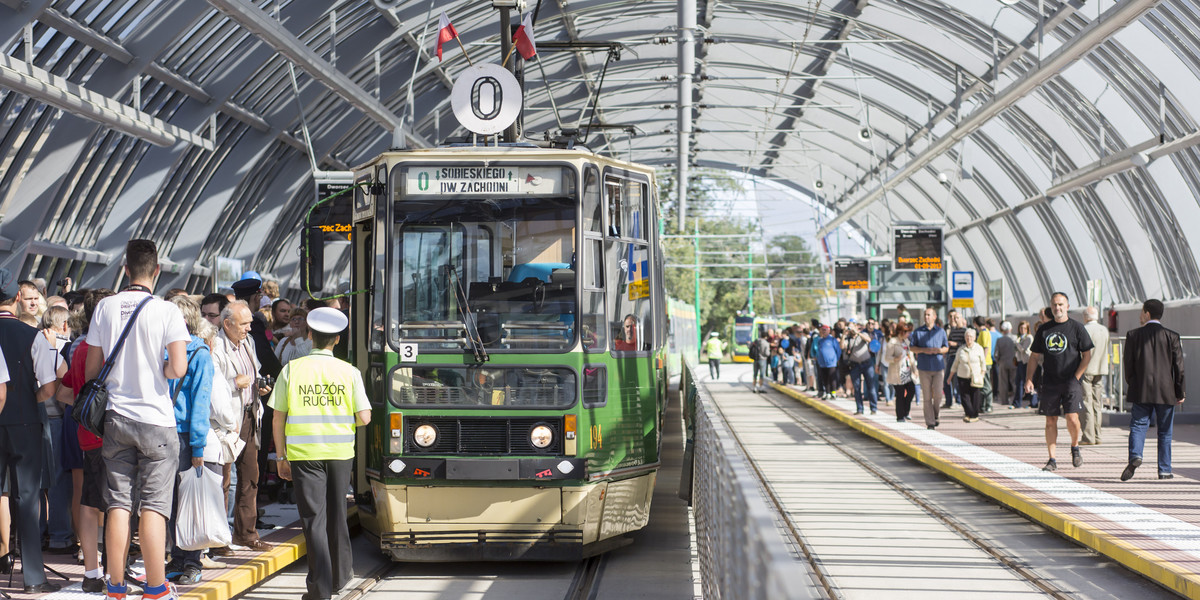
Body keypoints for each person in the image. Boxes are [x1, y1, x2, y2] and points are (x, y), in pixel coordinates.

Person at [85, 240, 191, 600]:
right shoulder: (167, 311)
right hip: (157, 421)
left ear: (125, 269)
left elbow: (92, 369)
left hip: (116, 419)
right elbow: (178, 367)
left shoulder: (104, 307)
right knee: (154, 506)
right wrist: (156, 370)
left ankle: (115, 586)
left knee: (118, 503)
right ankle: (156, 588)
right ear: (157, 270)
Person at [270, 308, 371, 600]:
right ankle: (341, 577)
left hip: (304, 454)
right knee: (338, 513)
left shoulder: (292, 370)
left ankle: (320, 589)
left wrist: (280, 457)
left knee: (314, 519)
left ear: (310, 336)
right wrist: (339, 420)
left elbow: (278, 417)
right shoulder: (349, 372)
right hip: (340, 452)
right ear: (337, 339)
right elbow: (364, 417)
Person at [0, 269, 61, 593]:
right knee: (27, 499)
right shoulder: (31, 336)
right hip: (24, 422)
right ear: (18, 298)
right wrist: (28, 398)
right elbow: (50, 387)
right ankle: (33, 578)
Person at [57, 287, 117, 593]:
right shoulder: (116, 347)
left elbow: (62, 390)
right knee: (120, 504)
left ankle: (92, 571)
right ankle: (117, 571)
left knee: (89, 502)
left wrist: (85, 410)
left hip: (89, 435)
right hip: (119, 435)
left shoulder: (80, 349)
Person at [211, 300, 273, 553]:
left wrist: (259, 386)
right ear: (227, 324)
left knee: (250, 476)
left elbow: (253, 374)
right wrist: (235, 383)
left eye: (250, 323)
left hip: (249, 416)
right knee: (224, 480)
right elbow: (214, 386)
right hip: (227, 421)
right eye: (244, 324)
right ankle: (218, 539)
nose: (249, 328)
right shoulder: (215, 347)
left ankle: (246, 534)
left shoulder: (248, 343)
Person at [164, 296, 214, 585]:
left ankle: (191, 560)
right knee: (170, 500)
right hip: (168, 432)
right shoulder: (168, 351)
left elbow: (200, 404)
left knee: (185, 501)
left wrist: (198, 446)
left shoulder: (199, 354)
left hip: (182, 435)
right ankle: (179, 557)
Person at [1025, 292, 1093, 472]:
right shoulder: (1044, 330)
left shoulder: (1077, 328)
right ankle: (1052, 459)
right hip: (1050, 382)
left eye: (1061, 305)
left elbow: (1087, 355)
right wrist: (1029, 379)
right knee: (1050, 420)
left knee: (1072, 418)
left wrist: (1077, 377)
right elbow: (1034, 357)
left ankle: (1075, 446)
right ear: (1051, 306)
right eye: (1055, 305)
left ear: (1067, 306)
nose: (1058, 308)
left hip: (1071, 381)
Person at [1120, 300, 1185, 481]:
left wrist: (1132, 383)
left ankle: (1135, 455)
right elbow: (1179, 367)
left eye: (1142, 312)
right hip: (1166, 391)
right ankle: (1164, 470)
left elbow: (1128, 365)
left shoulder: (1133, 335)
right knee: (1165, 431)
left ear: (1147, 314)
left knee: (1138, 425)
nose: (1140, 315)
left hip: (1141, 390)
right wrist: (1180, 391)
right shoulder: (1172, 336)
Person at [911, 308, 948, 430]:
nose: (926, 317)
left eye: (928, 315)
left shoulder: (941, 332)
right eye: (925, 315)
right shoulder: (917, 332)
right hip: (924, 367)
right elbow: (912, 348)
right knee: (927, 396)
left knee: (938, 395)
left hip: (938, 367)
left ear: (934, 317)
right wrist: (924, 350)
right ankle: (930, 422)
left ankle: (936, 415)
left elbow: (946, 347)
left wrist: (938, 350)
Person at [1080, 306, 1110, 446]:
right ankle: (1098, 435)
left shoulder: (1084, 329)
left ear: (1086, 316)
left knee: (1087, 403)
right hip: (1101, 368)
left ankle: (1088, 436)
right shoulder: (1104, 330)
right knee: (1097, 403)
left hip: (1086, 369)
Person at [949, 328, 986, 422]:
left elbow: (983, 363)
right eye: (967, 336)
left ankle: (974, 415)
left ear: (974, 338)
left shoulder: (978, 348)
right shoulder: (961, 349)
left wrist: (982, 374)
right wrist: (950, 377)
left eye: (970, 336)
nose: (968, 338)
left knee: (975, 396)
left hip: (976, 376)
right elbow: (955, 363)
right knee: (964, 397)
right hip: (962, 376)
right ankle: (969, 413)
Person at [884, 323, 916, 423]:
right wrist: (895, 359)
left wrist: (914, 368)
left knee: (911, 390)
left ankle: (906, 410)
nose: (908, 334)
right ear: (901, 332)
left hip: (907, 371)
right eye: (906, 332)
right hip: (897, 373)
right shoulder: (892, 342)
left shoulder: (906, 342)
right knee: (900, 394)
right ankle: (900, 416)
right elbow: (887, 357)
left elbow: (911, 356)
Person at [843, 322, 877, 415]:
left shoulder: (863, 334)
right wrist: (843, 334)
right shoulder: (847, 338)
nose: (851, 329)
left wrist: (857, 333)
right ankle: (860, 409)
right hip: (855, 365)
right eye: (849, 328)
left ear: (856, 327)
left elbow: (869, 340)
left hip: (867, 363)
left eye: (852, 327)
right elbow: (842, 346)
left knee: (871, 386)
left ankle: (873, 408)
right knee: (857, 387)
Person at [994, 321, 1017, 410]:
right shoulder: (1015, 338)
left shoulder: (1000, 340)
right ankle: (1015, 399)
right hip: (1014, 362)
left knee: (1003, 383)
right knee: (1014, 382)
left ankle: (1004, 401)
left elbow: (996, 354)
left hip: (1003, 362)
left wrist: (998, 361)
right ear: (1010, 329)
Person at [814, 325, 840, 400]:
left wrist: (836, 359)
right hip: (822, 363)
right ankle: (827, 392)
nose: (823, 331)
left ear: (829, 331)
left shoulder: (832, 340)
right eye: (822, 330)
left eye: (825, 330)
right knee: (825, 378)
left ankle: (833, 393)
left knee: (832, 377)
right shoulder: (820, 340)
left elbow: (838, 350)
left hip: (831, 362)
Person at [1012, 320, 1034, 408]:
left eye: (1024, 328)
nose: (1022, 330)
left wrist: (1017, 343)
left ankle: (1033, 402)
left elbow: (1023, 349)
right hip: (1020, 361)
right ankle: (1017, 403)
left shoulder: (1028, 337)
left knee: (1029, 381)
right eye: (1021, 328)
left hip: (1026, 362)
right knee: (1018, 382)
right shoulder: (1019, 337)